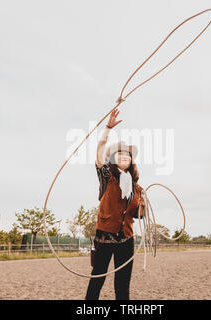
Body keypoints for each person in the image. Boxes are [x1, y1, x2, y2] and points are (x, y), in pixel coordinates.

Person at [85, 106, 145, 300]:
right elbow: (99, 152)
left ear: (131, 162)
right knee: (97, 279)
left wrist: (142, 205)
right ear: (112, 158)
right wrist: (107, 129)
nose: (124, 156)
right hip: (105, 237)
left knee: (122, 285)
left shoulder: (136, 188)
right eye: (120, 154)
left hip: (126, 240)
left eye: (127, 155)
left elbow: (138, 215)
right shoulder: (106, 177)